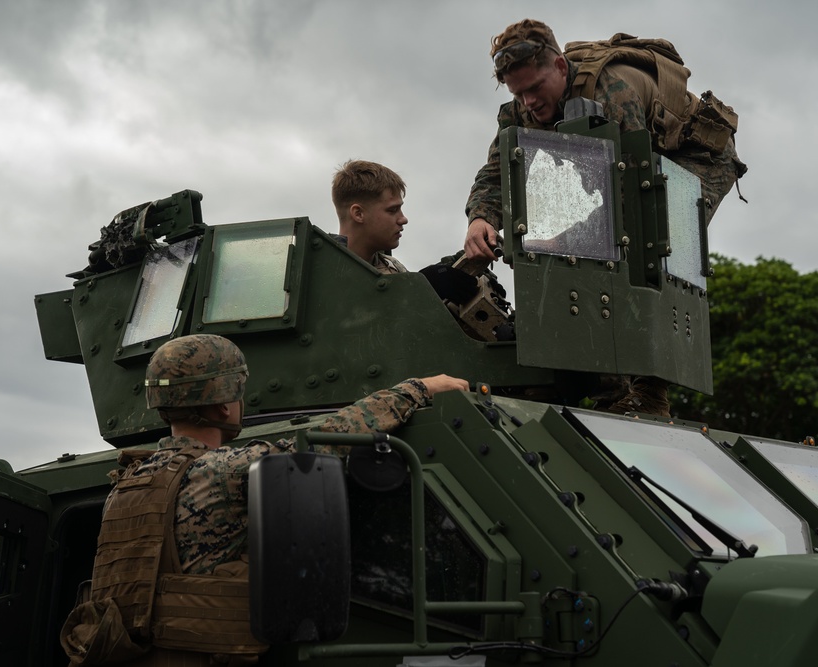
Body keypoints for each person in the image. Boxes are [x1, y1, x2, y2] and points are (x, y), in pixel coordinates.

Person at [61, 334, 468, 666]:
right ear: (224, 401)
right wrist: (418, 389)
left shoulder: (126, 483)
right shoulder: (223, 471)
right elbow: (330, 438)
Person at [464, 18, 747, 262]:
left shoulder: (610, 94)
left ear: (561, 66)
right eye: (518, 94)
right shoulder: (520, 110)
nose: (529, 102)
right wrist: (481, 219)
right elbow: (497, 173)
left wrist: (560, 242)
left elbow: (632, 191)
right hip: (643, 156)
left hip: (701, 155)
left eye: (536, 88)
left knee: (655, 239)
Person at [331, 159, 409, 274]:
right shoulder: (320, 270)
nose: (403, 219)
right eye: (392, 210)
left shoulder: (395, 269)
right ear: (358, 214)